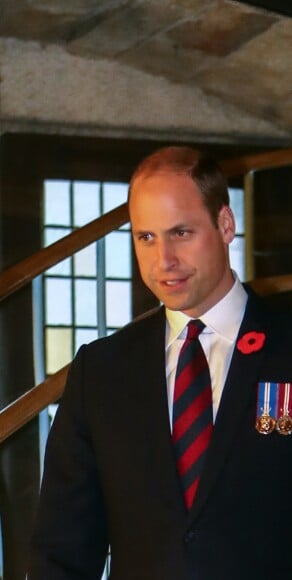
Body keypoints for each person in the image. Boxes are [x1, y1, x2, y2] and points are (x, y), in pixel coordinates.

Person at [29, 145, 292, 579]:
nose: (163, 261)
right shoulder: (101, 372)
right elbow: (62, 548)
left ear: (225, 224)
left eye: (181, 233)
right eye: (145, 237)